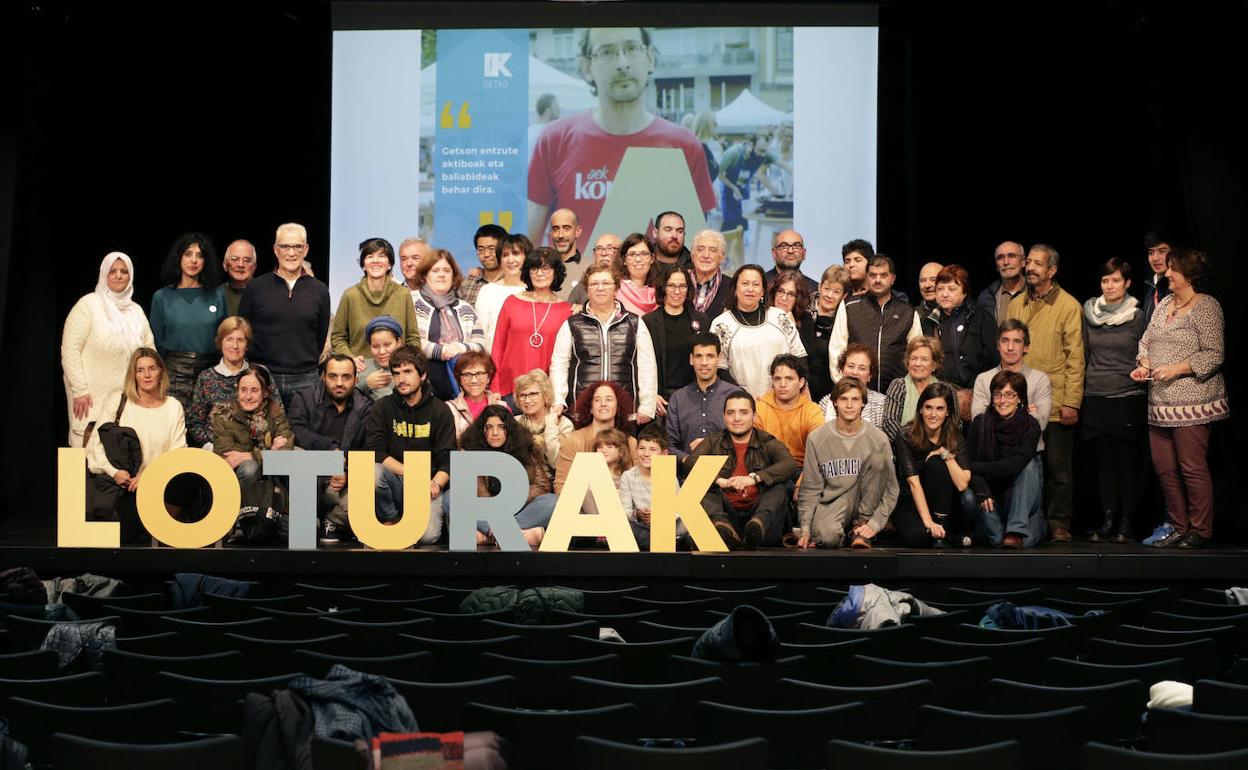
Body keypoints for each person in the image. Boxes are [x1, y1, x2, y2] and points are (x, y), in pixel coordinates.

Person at [527, 27, 716, 255]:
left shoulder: (685, 146)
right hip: (576, 289)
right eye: (607, 52)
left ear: (650, 59)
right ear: (587, 67)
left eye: (632, 48)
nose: (622, 62)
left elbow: (698, 249)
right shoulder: (554, 140)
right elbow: (530, 244)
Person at [1131, 248, 1227, 549]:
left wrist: (1178, 368)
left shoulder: (1207, 306)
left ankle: (1200, 530)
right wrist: (1143, 364)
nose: (1168, 273)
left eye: (1173, 269)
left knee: (1191, 467)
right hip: (1160, 404)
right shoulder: (1166, 305)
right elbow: (1146, 340)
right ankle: (1178, 525)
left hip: (1193, 402)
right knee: (1165, 468)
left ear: (1189, 275)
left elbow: (1214, 354)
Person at [1006, 243, 1084, 543]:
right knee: (1023, 466)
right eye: (1029, 262)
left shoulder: (1067, 306)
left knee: (1057, 468)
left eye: (1038, 264)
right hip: (1018, 400)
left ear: (1052, 270)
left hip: (1054, 401)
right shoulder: (1017, 304)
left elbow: (1075, 357)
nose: (1030, 268)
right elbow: (1007, 348)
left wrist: (1071, 402)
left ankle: (1059, 522)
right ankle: (1027, 521)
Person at [85, 348, 188, 540]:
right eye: (140, 370)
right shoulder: (118, 401)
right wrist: (114, 472)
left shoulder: (173, 406)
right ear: (133, 375)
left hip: (159, 484)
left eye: (152, 368)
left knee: (184, 484)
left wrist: (150, 476)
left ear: (161, 373)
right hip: (125, 484)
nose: (147, 375)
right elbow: (96, 446)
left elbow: (178, 452)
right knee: (131, 537)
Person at [1081, 257, 1148, 543]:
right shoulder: (1089, 313)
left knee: (1126, 463)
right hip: (1095, 394)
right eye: (1105, 280)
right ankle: (1108, 519)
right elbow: (1083, 352)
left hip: (1126, 396)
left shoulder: (1137, 315)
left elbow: (1146, 353)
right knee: (1104, 464)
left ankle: (1127, 522)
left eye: (1116, 280)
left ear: (1127, 283)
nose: (1109, 286)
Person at [62, 252, 154, 447]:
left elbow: (149, 351)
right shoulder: (88, 305)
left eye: (124, 271)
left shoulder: (135, 310)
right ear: (104, 274)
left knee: (120, 459)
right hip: (90, 398)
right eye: (113, 271)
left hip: (128, 400)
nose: (119, 276)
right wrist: (79, 389)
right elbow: (70, 349)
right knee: (85, 457)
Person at [364, 344, 455, 543]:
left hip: (428, 485)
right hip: (396, 480)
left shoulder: (441, 411)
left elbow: (447, 458)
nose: (401, 379)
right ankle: (391, 519)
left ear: (422, 375)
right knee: (372, 470)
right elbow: (376, 452)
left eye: (407, 372)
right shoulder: (382, 407)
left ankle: (408, 525)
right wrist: (412, 474)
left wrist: (436, 484)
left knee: (427, 537)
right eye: (396, 373)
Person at [686, 390, 798, 550]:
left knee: (778, 487)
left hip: (762, 518)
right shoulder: (714, 441)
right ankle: (723, 529)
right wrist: (720, 481)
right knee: (701, 483)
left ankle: (756, 527)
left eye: (743, 413)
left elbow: (789, 464)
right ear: (724, 417)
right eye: (731, 413)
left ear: (754, 416)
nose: (736, 418)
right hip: (726, 514)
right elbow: (690, 462)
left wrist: (754, 478)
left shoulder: (766, 441)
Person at [795, 378, 899, 549]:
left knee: (878, 459)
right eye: (844, 399)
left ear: (863, 403)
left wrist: (875, 523)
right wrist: (806, 529)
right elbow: (810, 489)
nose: (849, 405)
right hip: (833, 501)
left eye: (855, 399)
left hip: (866, 502)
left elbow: (891, 488)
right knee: (827, 538)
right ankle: (847, 536)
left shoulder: (879, 438)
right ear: (835, 402)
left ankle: (861, 528)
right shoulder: (817, 438)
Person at [550, 264, 658, 423]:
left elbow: (647, 366)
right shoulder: (572, 324)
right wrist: (558, 400)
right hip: (582, 411)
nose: (600, 288)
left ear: (616, 289)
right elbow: (559, 364)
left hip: (624, 413)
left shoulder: (635, 323)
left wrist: (647, 406)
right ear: (587, 289)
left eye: (606, 283)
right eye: (594, 284)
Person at [239, 222, 332, 408]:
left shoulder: (320, 290)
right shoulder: (256, 288)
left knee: (304, 436)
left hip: (306, 379)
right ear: (275, 249)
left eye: (297, 246)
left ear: (305, 250)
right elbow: (244, 331)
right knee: (263, 436)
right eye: (285, 246)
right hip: (263, 377)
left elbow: (320, 336)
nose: (291, 253)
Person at [287, 354, 373, 544]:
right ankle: (311, 519)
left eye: (346, 377)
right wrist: (329, 449)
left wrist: (349, 473)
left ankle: (330, 520)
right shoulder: (304, 398)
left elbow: (370, 449)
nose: (339, 383)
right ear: (323, 377)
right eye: (333, 376)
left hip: (343, 483)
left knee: (362, 506)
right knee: (294, 454)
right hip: (309, 480)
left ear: (356, 379)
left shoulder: (366, 407)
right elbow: (296, 430)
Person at [890, 382, 976, 548]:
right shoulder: (905, 435)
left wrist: (945, 455)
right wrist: (929, 523)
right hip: (912, 502)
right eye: (928, 407)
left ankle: (942, 530)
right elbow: (913, 483)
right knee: (918, 537)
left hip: (945, 504)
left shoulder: (956, 438)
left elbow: (962, 483)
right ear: (921, 409)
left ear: (947, 412)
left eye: (939, 408)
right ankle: (946, 535)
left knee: (937, 463)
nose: (933, 414)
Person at [966, 370, 1045, 548]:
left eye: (1010, 395)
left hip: (1019, 497)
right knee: (969, 496)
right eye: (998, 394)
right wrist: (981, 487)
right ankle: (998, 534)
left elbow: (1014, 466)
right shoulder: (980, 423)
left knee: (1029, 466)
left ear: (1020, 398)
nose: (1003, 400)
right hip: (990, 495)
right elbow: (967, 463)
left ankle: (1015, 530)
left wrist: (977, 468)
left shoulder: (1031, 427)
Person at [459, 405, 554, 548]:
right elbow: (474, 493)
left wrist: (514, 501)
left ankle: (495, 534)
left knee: (553, 501)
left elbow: (542, 486)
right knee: (451, 498)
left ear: (508, 429)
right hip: (486, 510)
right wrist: (498, 506)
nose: (495, 433)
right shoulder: (471, 450)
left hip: (521, 508)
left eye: (501, 426)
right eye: (489, 427)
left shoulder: (525, 447)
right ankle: (515, 534)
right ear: (481, 430)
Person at [149, 232, 227, 409]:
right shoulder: (162, 297)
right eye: (188, 254)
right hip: (174, 374)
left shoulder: (217, 295)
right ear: (179, 258)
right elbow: (156, 342)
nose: (194, 260)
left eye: (200, 255)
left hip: (209, 373)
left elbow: (224, 337)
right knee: (174, 430)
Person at [829, 255, 923, 391]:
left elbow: (916, 354)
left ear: (893, 279)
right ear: (867, 277)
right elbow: (836, 348)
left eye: (883, 275)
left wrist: (910, 388)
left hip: (898, 393)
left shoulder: (907, 312)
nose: (877, 280)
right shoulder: (850, 306)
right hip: (856, 392)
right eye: (872, 275)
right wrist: (843, 384)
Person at [711, 264, 806, 398]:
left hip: (783, 401)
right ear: (735, 289)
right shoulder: (721, 324)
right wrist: (744, 398)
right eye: (745, 283)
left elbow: (800, 358)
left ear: (762, 291)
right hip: (741, 404)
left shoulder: (779, 317)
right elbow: (720, 369)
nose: (750, 289)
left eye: (756, 284)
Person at [491, 247, 574, 400]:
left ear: (556, 272)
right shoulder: (512, 302)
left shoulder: (567, 310)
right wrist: (494, 387)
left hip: (547, 393)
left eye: (546, 268)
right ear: (528, 272)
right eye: (534, 268)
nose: (539, 273)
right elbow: (497, 347)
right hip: (509, 390)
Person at [407, 249, 486, 401]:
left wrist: (460, 348)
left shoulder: (465, 308)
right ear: (424, 276)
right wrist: (441, 351)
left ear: (454, 275)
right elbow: (412, 341)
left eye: (446, 270)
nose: (442, 275)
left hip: (462, 392)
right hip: (423, 391)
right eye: (435, 270)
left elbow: (481, 344)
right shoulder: (413, 303)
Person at [331, 237, 421, 367]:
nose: (376, 261)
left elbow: (413, 338)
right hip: (360, 370)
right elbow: (338, 337)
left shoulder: (403, 294)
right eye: (370, 256)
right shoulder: (350, 295)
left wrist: (404, 363)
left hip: (397, 369)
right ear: (363, 264)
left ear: (390, 264)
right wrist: (351, 360)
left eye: (381, 256)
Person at [970, 320, 1053, 451]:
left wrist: (995, 413)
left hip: (1028, 455)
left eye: (1017, 341)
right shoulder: (983, 379)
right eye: (1005, 340)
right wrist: (1025, 415)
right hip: (993, 452)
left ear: (1026, 347)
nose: (1010, 347)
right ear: (998, 345)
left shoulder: (1039, 379)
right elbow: (978, 423)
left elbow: (1040, 424)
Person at [929, 265, 999, 417]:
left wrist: (978, 390)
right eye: (940, 289)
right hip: (944, 396)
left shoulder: (981, 317)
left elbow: (994, 357)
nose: (945, 294)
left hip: (980, 393)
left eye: (951, 289)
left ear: (965, 292)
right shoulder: (930, 321)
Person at [212, 364, 294, 484]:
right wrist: (270, 451)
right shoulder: (223, 415)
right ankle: (241, 502)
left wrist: (250, 455)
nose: (248, 397)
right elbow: (230, 457)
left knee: (299, 455)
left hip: (272, 468)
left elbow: (286, 446)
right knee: (250, 468)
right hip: (236, 474)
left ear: (265, 392)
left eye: (254, 390)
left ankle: (291, 501)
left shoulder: (275, 411)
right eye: (243, 390)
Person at [643, 264, 710, 408]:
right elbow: (642, 365)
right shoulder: (648, 322)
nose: (677, 291)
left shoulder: (702, 321)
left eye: (682, 286)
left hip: (695, 399)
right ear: (663, 288)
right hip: (661, 400)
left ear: (688, 289)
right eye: (671, 285)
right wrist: (651, 395)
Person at [554, 381, 639, 494]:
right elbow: (560, 486)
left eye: (609, 399)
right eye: (597, 400)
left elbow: (641, 484)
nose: (603, 404)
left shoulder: (631, 442)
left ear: (618, 407)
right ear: (590, 408)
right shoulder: (573, 440)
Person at [622, 423, 691, 551]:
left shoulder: (669, 476)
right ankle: (662, 543)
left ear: (664, 453)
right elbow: (625, 512)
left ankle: (670, 541)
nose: (646, 453)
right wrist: (637, 514)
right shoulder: (628, 476)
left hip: (667, 526)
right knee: (625, 525)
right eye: (642, 448)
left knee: (687, 523)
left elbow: (679, 510)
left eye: (652, 449)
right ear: (636, 450)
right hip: (642, 527)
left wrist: (660, 516)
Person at [666, 332, 734, 462]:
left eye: (710, 356)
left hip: (727, 473)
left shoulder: (734, 396)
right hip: (687, 472)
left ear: (719, 358)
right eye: (699, 356)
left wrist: (712, 446)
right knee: (661, 471)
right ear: (691, 359)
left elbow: (745, 441)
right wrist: (688, 460)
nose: (704, 363)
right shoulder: (678, 399)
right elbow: (669, 445)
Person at [187, 316, 252, 448]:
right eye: (229, 339)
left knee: (300, 459)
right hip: (216, 452)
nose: (235, 346)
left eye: (240, 340)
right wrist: (209, 447)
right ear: (220, 342)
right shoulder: (206, 378)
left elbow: (277, 417)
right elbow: (195, 422)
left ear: (247, 345)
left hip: (253, 452)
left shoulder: (258, 374)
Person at [754, 355, 824, 476]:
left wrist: (801, 483)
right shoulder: (759, 408)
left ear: (801, 382)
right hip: (769, 469)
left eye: (789, 379)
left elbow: (819, 453)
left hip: (803, 470)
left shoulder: (812, 411)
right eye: (777, 379)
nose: (782, 384)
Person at [768, 269, 830, 402]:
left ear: (798, 298)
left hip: (794, 388)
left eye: (791, 294)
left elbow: (809, 358)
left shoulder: (805, 319)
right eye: (780, 291)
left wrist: (793, 327)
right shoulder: (763, 315)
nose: (784, 298)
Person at [718, 135, 788, 236]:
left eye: (765, 151)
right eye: (760, 150)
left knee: (742, 226)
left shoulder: (764, 154)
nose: (762, 154)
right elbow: (719, 174)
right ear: (751, 145)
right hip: (729, 190)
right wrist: (733, 187)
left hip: (744, 191)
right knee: (730, 227)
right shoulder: (733, 153)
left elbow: (785, 165)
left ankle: (740, 248)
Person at [476, 233, 532, 353]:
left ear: (527, 257)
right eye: (505, 255)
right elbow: (481, 334)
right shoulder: (488, 291)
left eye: (516, 254)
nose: (510, 260)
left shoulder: (534, 291)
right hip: (493, 360)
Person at [512, 369, 575, 474]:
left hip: (555, 483)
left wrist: (551, 426)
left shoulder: (564, 425)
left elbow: (557, 464)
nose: (527, 400)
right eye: (523, 395)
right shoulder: (514, 423)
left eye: (533, 394)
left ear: (545, 395)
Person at [883, 336, 943, 443]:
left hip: (937, 447)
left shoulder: (943, 389)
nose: (917, 364)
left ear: (934, 364)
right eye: (913, 358)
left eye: (924, 359)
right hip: (903, 448)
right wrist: (911, 444)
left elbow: (956, 424)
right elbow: (890, 422)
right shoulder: (899, 385)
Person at [819, 344, 888, 429]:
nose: (855, 372)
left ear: (870, 375)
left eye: (862, 368)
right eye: (851, 366)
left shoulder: (882, 403)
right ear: (842, 369)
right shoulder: (826, 402)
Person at [447, 351, 507, 438]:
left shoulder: (503, 407)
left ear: (489, 378)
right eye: (467, 375)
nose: (474, 380)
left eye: (479, 374)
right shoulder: (450, 409)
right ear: (460, 379)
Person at [583, 428, 634, 516]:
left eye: (609, 447)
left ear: (621, 452)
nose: (603, 450)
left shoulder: (628, 476)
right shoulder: (590, 474)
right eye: (599, 447)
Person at [975, 241, 1027, 326]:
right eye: (1000, 257)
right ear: (996, 266)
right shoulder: (986, 297)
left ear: (1023, 262)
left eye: (1011, 256)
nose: (1006, 262)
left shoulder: (1037, 292)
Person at [457, 224, 506, 307]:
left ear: (505, 248)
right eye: (481, 249)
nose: (486, 254)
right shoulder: (467, 283)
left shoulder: (515, 282)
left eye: (492, 248)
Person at [689, 229, 734, 319]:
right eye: (700, 249)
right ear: (692, 255)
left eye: (713, 250)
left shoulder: (732, 287)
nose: (706, 255)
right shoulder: (679, 282)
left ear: (722, 257)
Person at [357, 316, 403, 402]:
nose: (381, 351)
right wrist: (365, 385)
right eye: (375, 346)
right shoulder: (361, 367)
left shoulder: (411, 368)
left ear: (398, 342)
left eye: (387, 345)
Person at [546, 209, 588, 301]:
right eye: (556, 229)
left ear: (577, 231)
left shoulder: (590, 267)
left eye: (566, 228)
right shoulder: (540, 267)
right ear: (551, 233)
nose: (561, 235)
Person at [613, 232, 659, 316]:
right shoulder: (614, 289)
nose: (638, 259)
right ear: (624, 260)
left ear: (652, 258)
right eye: (632, 254)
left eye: (644, 254)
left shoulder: (660, 292)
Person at [1140, 232, 1173, 327]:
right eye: (1151, 252)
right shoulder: (1151, 288)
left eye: (1162, 251)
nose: (1155, 258)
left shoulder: (1181, 288)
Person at [221, 240, 258, 316]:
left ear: (254, 267)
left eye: (247, 260)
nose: (241, 265)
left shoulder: (266, 294)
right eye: (235, 259)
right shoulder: (215, 295)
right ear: (225, 265)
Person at [915, 261, 944, 329]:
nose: (927, 285)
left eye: (933, 280)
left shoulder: (956, 313)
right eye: (923, 280)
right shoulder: (913, 315)